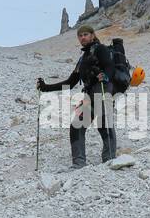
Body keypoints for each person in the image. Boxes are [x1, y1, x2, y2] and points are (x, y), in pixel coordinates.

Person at [36, 24, 117, 167]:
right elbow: (70, 82)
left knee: (103, 122)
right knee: (77, 126)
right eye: (80, 35)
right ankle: (79, 163)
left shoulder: (101, 49)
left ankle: (110, 159)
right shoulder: (83, 59)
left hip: (103, 89)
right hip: (89, 95)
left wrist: (105, 75)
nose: (82, 37)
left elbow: (110, 66)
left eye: (85, 34)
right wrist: (45, 88)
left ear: (92, 35)